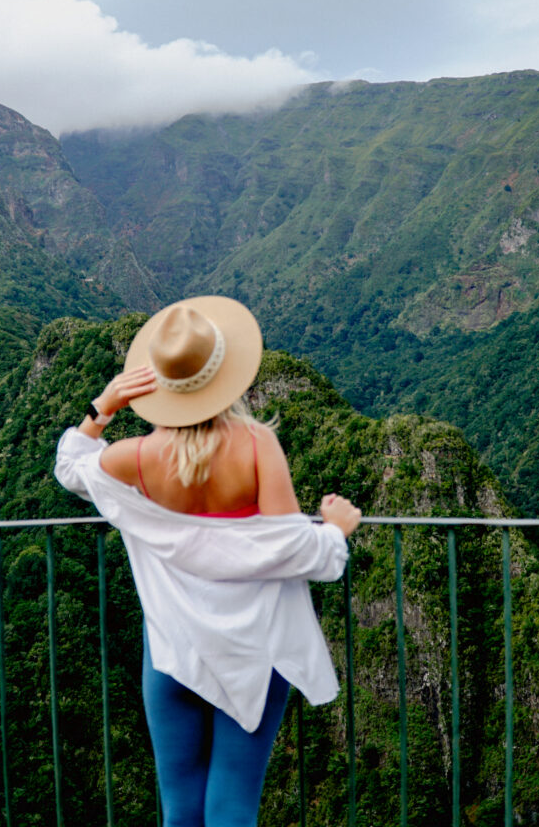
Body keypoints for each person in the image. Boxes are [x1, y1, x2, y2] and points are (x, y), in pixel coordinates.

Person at [54, 295, 361, 827]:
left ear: (160, 387)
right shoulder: (256, 444)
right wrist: (335, 528)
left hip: (172, 651)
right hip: (253, 652)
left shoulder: (137, 458)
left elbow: (70, 468)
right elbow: (297, 551)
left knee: (181, 807)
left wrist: (101, 408)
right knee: (233, 804)